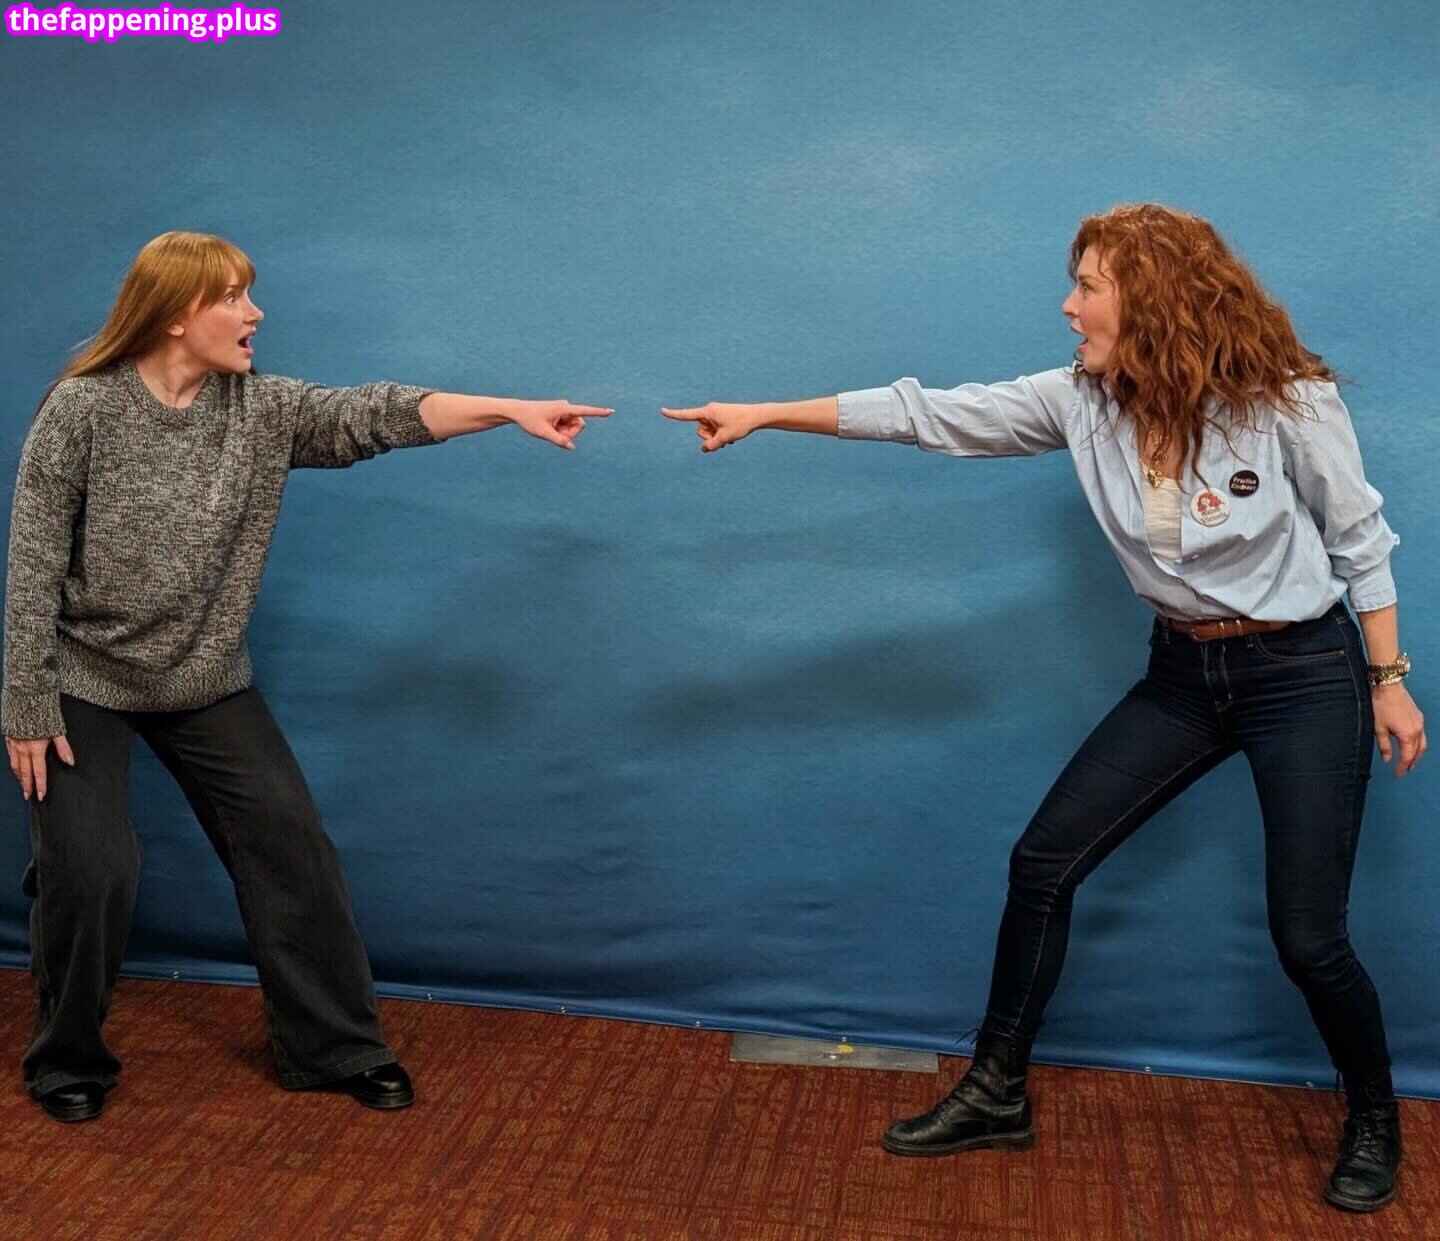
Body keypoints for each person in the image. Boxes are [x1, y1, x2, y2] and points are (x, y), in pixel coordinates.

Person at [661, 203, 1425, 1214]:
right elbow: (930, 414)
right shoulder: (1081, 401)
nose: (1069, 306)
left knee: (1307, 936)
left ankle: (1374, 1116)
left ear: (1151, 299)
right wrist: (765, 413)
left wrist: (1388, 677)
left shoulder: (1284, 397)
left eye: (1089, 286)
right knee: (1043, 862)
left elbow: (1359, 538)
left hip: (1302, 674)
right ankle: (995, 1090)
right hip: (1183, 676)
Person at [2, 230, 611, 1124]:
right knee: (92, 867)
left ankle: (335, 1047)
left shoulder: (264, 410)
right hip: (82, 679)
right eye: (232, 297)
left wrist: (511, 408)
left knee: (291, 844)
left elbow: (380, 413)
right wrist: (25, 701)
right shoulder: (83, 409)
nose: (255, 313)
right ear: (174, 315)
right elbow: (33, 566)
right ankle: (66, 1058)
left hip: (204, 673)